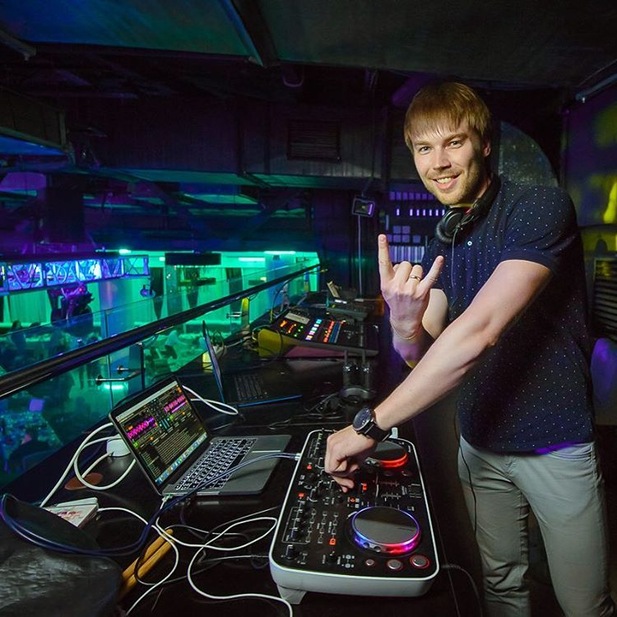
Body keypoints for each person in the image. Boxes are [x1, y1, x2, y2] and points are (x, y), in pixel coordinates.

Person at [324, 81, 615, 617]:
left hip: (555, 447)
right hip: (480, 443)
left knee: (584, 603)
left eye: (453, 143)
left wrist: (371, 424)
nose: (438, 163)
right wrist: (403, 323)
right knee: (501, 584)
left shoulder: (538, 207)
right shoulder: (446, 238)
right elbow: (421, 353)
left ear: (484, 144)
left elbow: (479, 332)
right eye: (424, 148)